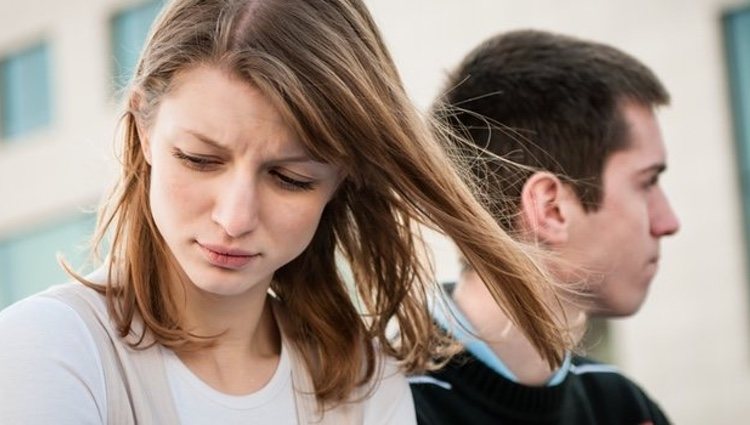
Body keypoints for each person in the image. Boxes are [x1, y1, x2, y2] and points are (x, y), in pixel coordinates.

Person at [0, 3, 571, 424]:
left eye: (291, 178)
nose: (234, 217)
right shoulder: (47, 349)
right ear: (143, 129)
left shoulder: (364, 385)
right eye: (200, 160)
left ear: (343, 178)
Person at [410, 30, 680, 424]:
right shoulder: (380, 408)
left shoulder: (623, 408)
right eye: (646, 183)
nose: (668, 222)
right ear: (551, 209)